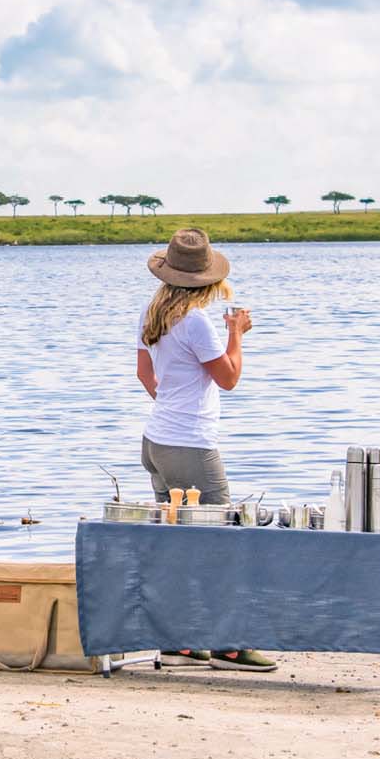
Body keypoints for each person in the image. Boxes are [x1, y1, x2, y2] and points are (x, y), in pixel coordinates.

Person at [134, 227, 276, 673]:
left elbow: (145, 376)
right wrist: (237, 333)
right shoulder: (196, 322)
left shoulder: (151, 313)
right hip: (190, 445)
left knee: (178, 542)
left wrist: (171, 406)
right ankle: (229, 645)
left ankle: (178, 642)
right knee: (224, 538)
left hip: (156, 441)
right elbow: (229, 378)